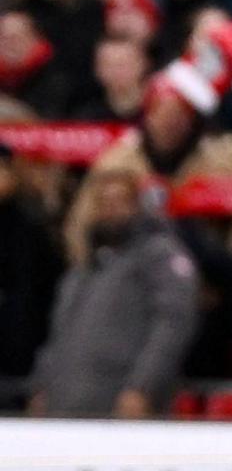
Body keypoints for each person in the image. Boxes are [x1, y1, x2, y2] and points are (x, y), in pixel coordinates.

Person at [28, 155, 197, 417]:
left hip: (121, 403)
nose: (111, 210)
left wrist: (142, 387)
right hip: (67, 404)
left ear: (139, 204)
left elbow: (172, 324)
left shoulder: (160, 255)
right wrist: (41, 385)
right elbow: (58, 333)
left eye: (121, 201)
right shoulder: (84, 267)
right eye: (103, 202)